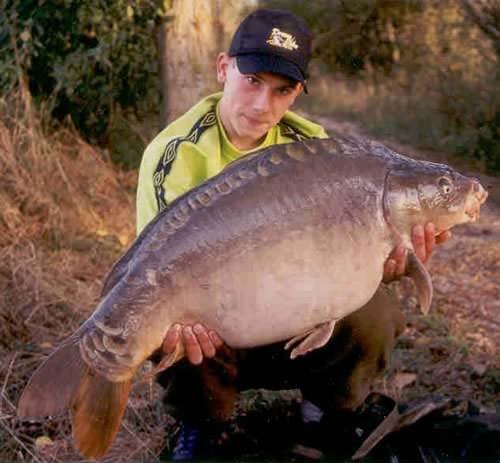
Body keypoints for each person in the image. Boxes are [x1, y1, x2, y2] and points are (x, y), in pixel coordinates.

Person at [136, 8, 450, 460]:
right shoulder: (172, 154)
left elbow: (340, 263)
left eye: (283, 90)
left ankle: (323, 411)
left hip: (291, 318)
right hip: (216, 323)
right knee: (172, 319)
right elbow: (153, 273)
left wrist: (386, 264)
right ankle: (204, 423)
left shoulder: (317, 152)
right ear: (224, 68)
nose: (264, 104)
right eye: (253, 81)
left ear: (299, 91)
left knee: (374, 311)